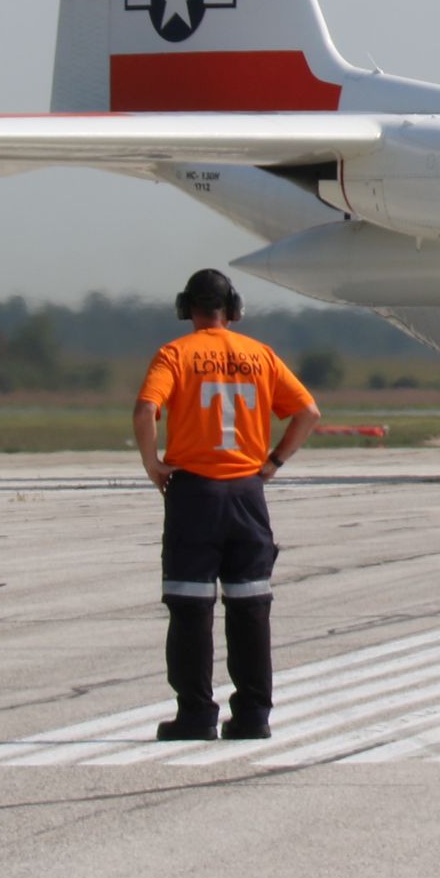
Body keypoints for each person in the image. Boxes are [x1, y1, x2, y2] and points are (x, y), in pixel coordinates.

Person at [133, 268, 322, 741]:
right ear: (234, 308)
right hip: (246, 494)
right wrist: (273, 461)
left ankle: (196, 715)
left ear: (186, 308)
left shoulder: (175, 354)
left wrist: (153, 463)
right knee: (250, 606)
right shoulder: (260, 355)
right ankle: (254, 716)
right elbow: (308, 411)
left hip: (194, 495)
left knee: (190, 608)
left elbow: (146, 409)